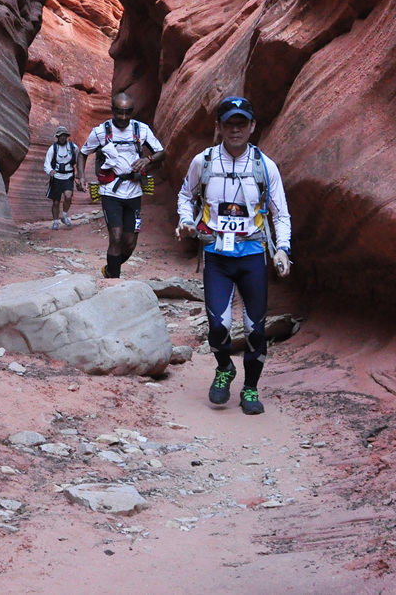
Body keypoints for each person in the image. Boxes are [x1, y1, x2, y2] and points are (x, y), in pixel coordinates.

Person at [176, 96, 292, 416]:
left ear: (253, 126)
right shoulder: (204, 162)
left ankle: (251, 389)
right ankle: (224, 367)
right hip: (217, 254)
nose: (236, 130)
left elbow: (280, 213)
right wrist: (186, 221)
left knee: (255, 328)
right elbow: (186, 195)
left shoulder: (265, 167)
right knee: (218, 325)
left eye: (242, 123)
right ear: (219, 127)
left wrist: (282, 248)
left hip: (253, 253)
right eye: (230, 124)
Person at [76, 93, 165, 278]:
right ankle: (113, 282)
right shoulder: (101, 131)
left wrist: (147, 160)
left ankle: (110, 268)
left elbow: (161, 152)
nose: (123, 117)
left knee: (130, 242)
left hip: (133, 191)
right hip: (110, 190)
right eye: (119, 112)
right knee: (115, 236)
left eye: (127, 112)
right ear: (112, 110)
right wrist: (81, 176)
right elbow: (82, 153)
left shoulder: (141, 130)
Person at [43, 125, 77, 230]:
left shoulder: (73, 147)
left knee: (68, 196)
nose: (62, 137)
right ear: (57, 137)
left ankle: (64, 215)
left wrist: (80, 174)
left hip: (68, 176)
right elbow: (46, 163)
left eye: (64, 135)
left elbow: (79, 158)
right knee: (56, 201)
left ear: (67, 136)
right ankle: (55, 221)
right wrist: (50, 171)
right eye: (60, 136)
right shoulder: (53, 148)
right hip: (57, 177)